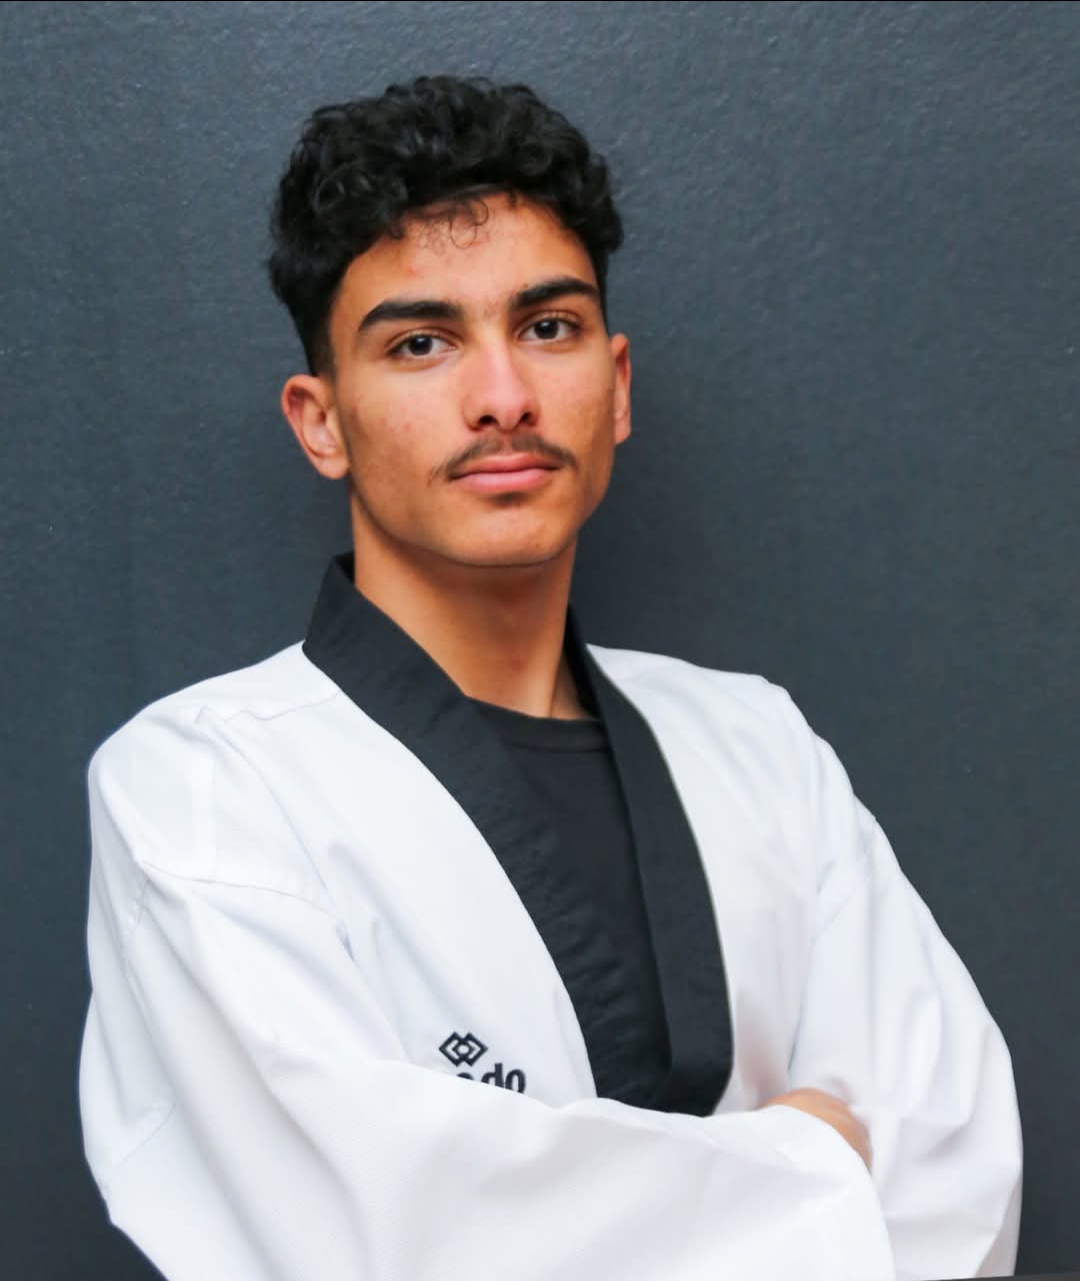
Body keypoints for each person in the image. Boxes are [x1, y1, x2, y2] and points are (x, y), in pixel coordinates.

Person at [79, 76, 1022, 1281]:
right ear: (321, 421)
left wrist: (562, 1190)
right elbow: (371, 1232)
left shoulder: (758, 746)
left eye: (549, 327)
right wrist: (817, 1155)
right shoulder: (203, 787)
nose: (504, 398)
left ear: (616, 385)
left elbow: (956, 1166)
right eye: (421, 344)